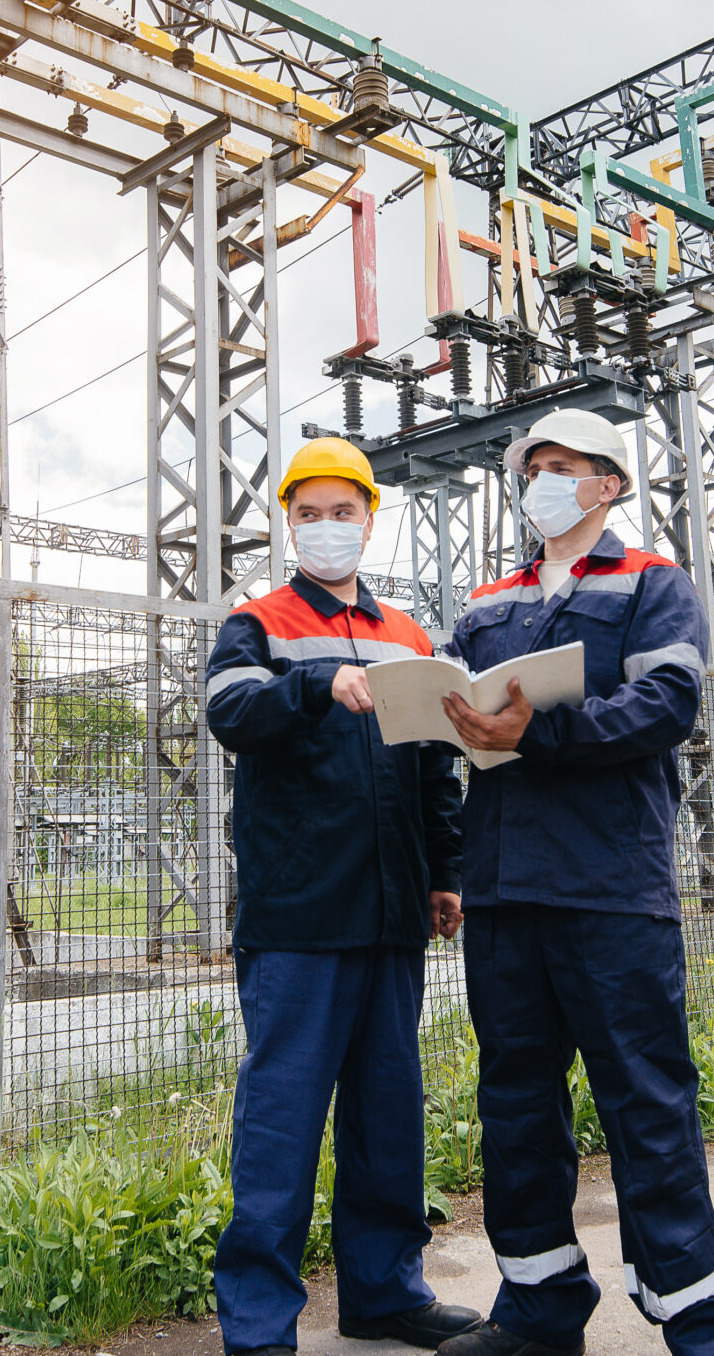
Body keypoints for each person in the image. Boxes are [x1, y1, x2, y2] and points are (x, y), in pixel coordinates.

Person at [430, 408, 714, 1356]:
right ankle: (536, 1312)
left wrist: (542, 731)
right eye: (535, 467)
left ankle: (701, 1324)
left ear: (609, 483)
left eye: (565, 467)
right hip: (502, 889)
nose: (545, 481)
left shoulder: (654, 584)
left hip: (611, 888)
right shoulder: (487, 605)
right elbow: (460, 725)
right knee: (516, 1105)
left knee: (645, 1102)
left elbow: (666, 705)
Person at [202, 436, 485, 1356]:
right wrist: (320, 683)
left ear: (371, 517)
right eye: (310, 512)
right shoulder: (260, 620)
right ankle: (258, 1325)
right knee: (282, 1121)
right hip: (299, 915)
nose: (328, 527)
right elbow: (232, 713)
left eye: (344, 511)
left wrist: (443, 872)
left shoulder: (409, 635)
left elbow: (436, 770)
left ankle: (383, 1292)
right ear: (290, 522)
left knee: (387, 1112)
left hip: (392, 911)